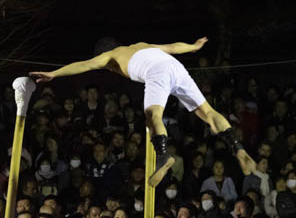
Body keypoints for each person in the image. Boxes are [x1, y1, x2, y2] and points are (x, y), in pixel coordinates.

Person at [31, 37, 255, 186]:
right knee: (207, 111)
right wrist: (193, 47)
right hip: (176, 67)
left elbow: (84, 64)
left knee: (153, 116)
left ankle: (164, 157)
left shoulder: (110, 55)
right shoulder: (141, 44)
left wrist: (54, 74)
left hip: (157, 71)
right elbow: (172, 47)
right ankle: (238, 147)